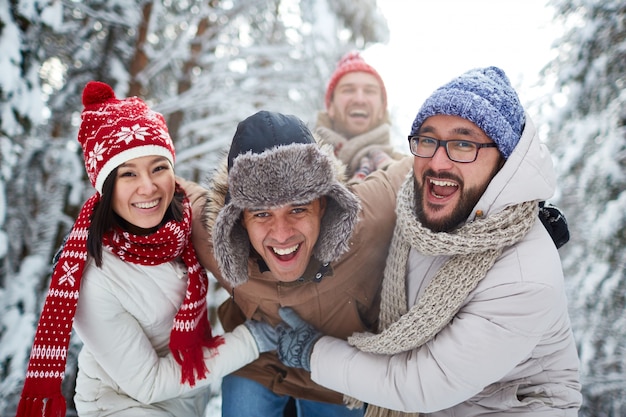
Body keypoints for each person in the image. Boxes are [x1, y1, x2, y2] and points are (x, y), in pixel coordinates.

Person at [274, 67, 583, 416]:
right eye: (428, 140)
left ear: (505, 161)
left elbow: (422, 385)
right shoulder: (418, 214)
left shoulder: (526, 275)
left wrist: (314, 351)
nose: (437, 161)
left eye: (463, 144)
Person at [15, 82, 274, 417]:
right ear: (106, 187)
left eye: (158, 167)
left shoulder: (181, 227)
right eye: (128, 174)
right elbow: (148, 383)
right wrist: (254, 339)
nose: (148, 187)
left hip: (183, 402)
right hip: (124, 406)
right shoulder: (91, 278)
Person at [185, 110, 414, 417]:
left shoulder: (365, 221)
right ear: (237, 220)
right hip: (259, 365)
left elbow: (422, 165)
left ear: (323, 204)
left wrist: (382, 158)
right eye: (261, 214)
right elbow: (160, 187)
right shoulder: (218, 240)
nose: (281, 234)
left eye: (298, 209)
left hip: (334, 375)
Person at [315, 51, 405, 181]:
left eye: (370, 91)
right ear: (331, 107)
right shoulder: (303, 167)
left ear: (382, 109)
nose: (359, 99)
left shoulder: (407, 172)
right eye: (348, 90)